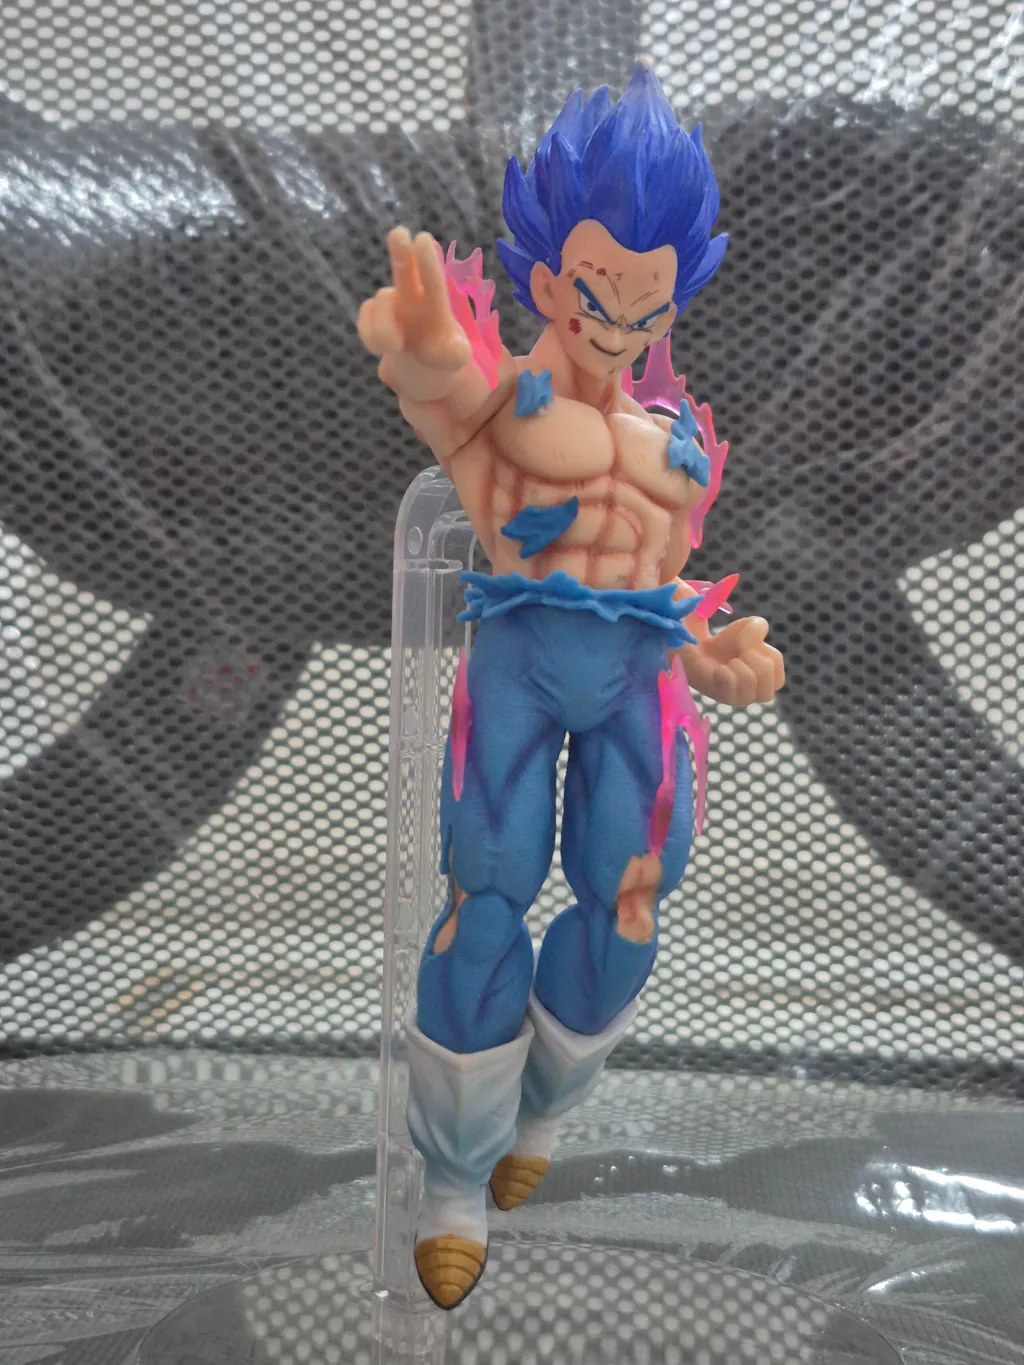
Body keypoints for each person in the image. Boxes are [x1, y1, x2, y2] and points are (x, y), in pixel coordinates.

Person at [358, 62, 784, 1309]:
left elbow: (662, 581)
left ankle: (540, 1114)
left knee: (631, 901)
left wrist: (712, 649)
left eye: (647, 300)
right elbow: (439, 383)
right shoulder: (501, 408)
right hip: (516, 673)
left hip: (637, 683)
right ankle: (452, 1181)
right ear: (546, 276)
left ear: (675, 296)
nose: (616, 321)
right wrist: (421, 350)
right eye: (596, 291)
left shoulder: (675, 448)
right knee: (484, 901)